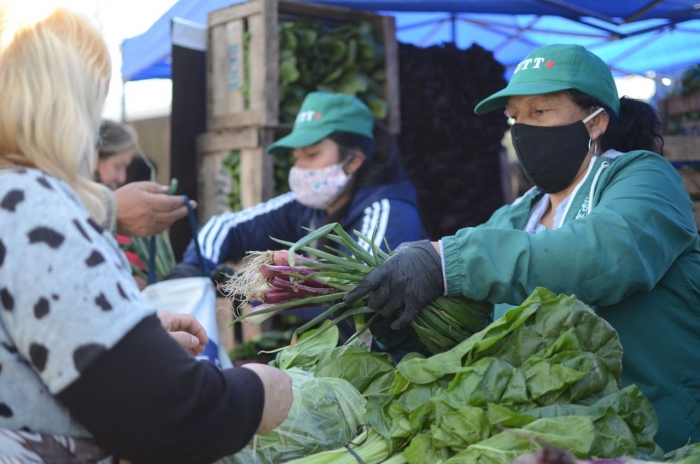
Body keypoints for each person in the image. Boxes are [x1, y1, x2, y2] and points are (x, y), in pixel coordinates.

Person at [344, 44, 700, 452]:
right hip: (555, 445)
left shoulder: (643, 179)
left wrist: (447, 260)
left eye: (540, 113)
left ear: (595, 121)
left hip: (663, 439)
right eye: (514, 116)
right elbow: (474, 341)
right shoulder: (514, 217)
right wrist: (402, 330)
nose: (522, 129)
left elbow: (608, 255)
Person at [0, 5, 291, 463]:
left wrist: (130, 339)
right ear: (59, 107)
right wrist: (257, 391)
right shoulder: (33, 207)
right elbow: (168, 416)